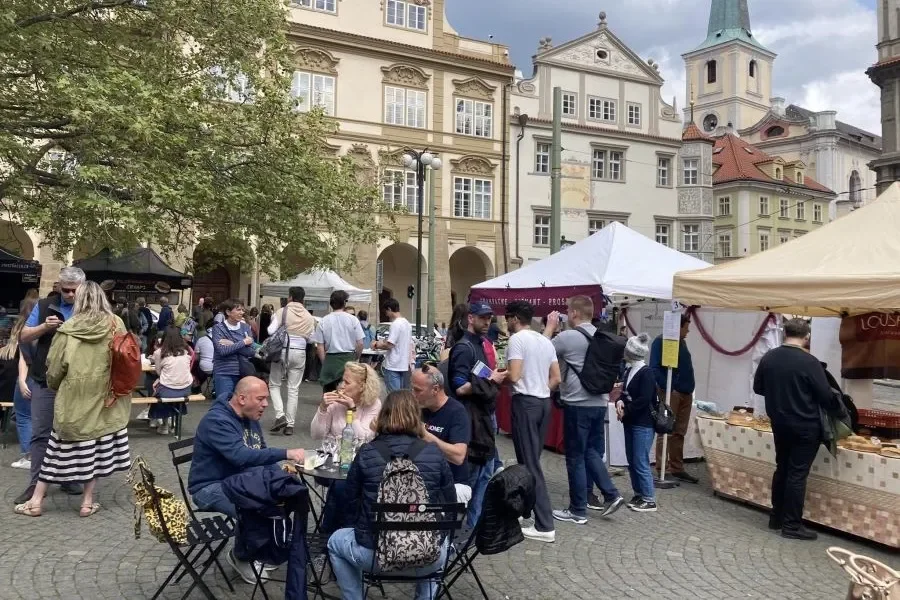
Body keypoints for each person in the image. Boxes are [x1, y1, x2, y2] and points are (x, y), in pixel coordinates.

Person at [14, 281, 132, 518]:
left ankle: (36, 501)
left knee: (54, 449)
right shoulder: (115, 324)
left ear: (79, 300)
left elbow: (55, 369)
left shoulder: (68, 329)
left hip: (73, 399)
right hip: (104, 398)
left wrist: (59, 385)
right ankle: (87, 503)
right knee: (96, 449)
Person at [327, 390, 456, 600]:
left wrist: (363, 529)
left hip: (374, 556)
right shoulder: (434, 452)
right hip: (428, 557)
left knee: (334, 541)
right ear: (417, 417)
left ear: (383, 415)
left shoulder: (367, 452)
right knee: (437, 538)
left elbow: (349, 503)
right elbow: (449, 504)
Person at [188, 376, 305, 582]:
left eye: (266, 399)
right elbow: (240, 456)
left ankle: (265, 549)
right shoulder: (217, 421)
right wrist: (286, 452)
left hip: (239, 481)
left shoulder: (250, 418)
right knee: (253, 505)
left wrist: (279, 475)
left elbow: (261, 452)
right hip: (209, 486)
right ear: (242, 398)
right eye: (261, 399)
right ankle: (241, 557)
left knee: (284, 493)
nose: (266, 404)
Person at [753, 318, 838, 541]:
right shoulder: (809, 362)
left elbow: (758, 387)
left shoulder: (769, 358)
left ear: (784, 333)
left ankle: (776, 516)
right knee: (797, 474)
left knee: (782, 467)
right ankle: (791, 525)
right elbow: (826, 396)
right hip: (805, 424)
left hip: (779, 422)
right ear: (807, 336)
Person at [545, 297, 625, 525]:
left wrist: (550, 328)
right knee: (590, 451)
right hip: (599, 403)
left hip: (577, 405)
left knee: (576, 457)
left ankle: (578, 510)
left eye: (568, 311)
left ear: (574, 314)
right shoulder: (603, 337)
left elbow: (540, 350)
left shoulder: (568, 337)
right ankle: (611, 494)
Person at [14, 266, 86, 505]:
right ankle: (36, 484)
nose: (69, 295)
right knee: (40, 434)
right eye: (65, 290)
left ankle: (66, 477)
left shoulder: (89, 308)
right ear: (59, 286)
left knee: (70, 432)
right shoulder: (44, 305)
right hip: (44, 380)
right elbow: (23, 336)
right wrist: (45, 326)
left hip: (76, 381)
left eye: (74, 290)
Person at [504, 300, 560, 543]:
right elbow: (556, 377)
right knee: (530, 462)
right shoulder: (544, 341)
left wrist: (498, 376)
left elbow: (515, 376)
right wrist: (540, 389)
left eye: (507, 317)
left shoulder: (517, 340)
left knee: (530, 464)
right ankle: (523, 510)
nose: (505, 322)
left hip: (526, 403)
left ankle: (545, 523)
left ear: (515, 318)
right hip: (543, 402)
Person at [446, 302, 505, 528]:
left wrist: (493, 377)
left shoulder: (480, 343)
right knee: (471, 482)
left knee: (483, 478)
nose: (487, 322)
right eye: (482, 318)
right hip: (471, 421)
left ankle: (471, 533)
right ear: (471, 318)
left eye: (489, 318)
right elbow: (459, 386)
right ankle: (459, 534)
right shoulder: (463, 348)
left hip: (483, 418)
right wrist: (490, 380)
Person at [648, 314, 698, 484]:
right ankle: (662, 467)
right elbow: (654, 367)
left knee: (679, 432)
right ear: (678, 327)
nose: (688, 330)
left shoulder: (682, 342)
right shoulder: (661, 341)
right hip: (673, 392)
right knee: (666, 429)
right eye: (686, 327)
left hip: (686, 393)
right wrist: (668, 387)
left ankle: (677, 467)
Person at [412, 366, 472, 503]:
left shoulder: (456, 412)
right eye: (412, 388)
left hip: (453, 484)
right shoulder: (419, 408)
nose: (413, 394)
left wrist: (426, 436)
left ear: (435, 389)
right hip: (423, 480)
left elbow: (458, 456)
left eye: (418, 390)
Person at [615, 333, 658, 513]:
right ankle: (639, 493)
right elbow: (625, 392)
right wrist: (620, 401)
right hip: (631, 421)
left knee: (640, 460)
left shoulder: (646, 372)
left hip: (643, 423)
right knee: (632, 459)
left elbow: (644, 399)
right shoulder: (628, 369)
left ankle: (649, 498)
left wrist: (627, 409)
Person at [268, 286, 316, 436]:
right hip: (300, 352)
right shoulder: (309, 317)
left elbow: (270, 331)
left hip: (281, 351)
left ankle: (279, 415)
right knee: (293, 389)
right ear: (303, 298)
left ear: (290, 297)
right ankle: (290, 424)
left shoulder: (282, 311)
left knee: (274, 384)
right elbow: (312, 339)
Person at [2, 298, 36, 469]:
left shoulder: (23, 328)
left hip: (27, 378)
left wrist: (22, 380)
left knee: (24, 416)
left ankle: (28, 455)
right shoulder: (46, 326)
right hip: (41, 378)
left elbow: (23, 356)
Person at [311, 361, 382, 441]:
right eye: (342, 381)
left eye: (347, 383)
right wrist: (322, 408)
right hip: (333, 450)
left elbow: (363, 439)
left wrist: (352, 409)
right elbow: (316, 435)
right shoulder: (335, 401)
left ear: (362, 387)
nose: (341, 386)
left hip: (359, 452)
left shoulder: (374, 404)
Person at [313, 290, 364, 393]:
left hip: (330, 359)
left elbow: (320, 346)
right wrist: (356, 357)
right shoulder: (353, 320)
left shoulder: (323, 321)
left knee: (329, 394)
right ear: (344, 303)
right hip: (349, 358)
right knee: (348, 393)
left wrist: (324, 362)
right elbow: (360, 343)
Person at [149, 325, 194, 435]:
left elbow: (159, 373)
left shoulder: (159, 352)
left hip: (167, 390)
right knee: (169, 389)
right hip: (186, 389)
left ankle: (163, 423)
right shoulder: (186, 351)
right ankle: (173, 424)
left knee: (157, 388)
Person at [211, 298, 255, 405]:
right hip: (224, 372)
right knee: (224, 405)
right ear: (228, 312)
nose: (242, 313)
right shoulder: (218, 328)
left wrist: (232, 344)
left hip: (243, 372)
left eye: (243, 310)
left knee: (242, 406)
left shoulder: (245, 327)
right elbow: (222, 351)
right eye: (238, 310)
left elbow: (251, 352)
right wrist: (243, 342)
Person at [372, 297, 411, 392]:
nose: (386, 314)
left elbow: (389, 345)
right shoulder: (406, 323)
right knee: (403, 395)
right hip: (404, 364)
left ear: (389, 309)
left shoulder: (395, 324)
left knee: (394, 396)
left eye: (386, 311)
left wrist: (376, 344)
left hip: (393, 364)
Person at [192, 318, 215, 393]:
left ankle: (196, 385)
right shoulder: (222, 340)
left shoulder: (201, 340)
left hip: (204, 368)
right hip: (217, 369)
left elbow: (196, 357)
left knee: (195, 366)